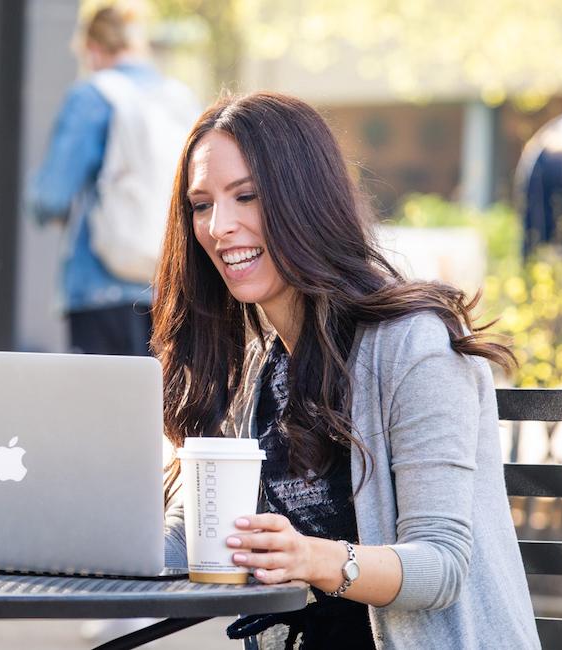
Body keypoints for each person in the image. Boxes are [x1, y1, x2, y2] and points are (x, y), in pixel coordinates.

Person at [154, 92, 540, 649]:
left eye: (247, 196)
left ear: (304, 199)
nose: (219, 226)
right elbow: (184, 542)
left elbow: (441, 566)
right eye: (201, 204)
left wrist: (312, 557)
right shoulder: (258, 364)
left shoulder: (415, 346)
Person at [27, 4, 199, 356]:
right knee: (159, 404)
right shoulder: (180, 98)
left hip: (100, 287)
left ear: (91, 49)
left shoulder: (93, 96)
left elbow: (51, 196)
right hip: (169, 286)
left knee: (101, 404)